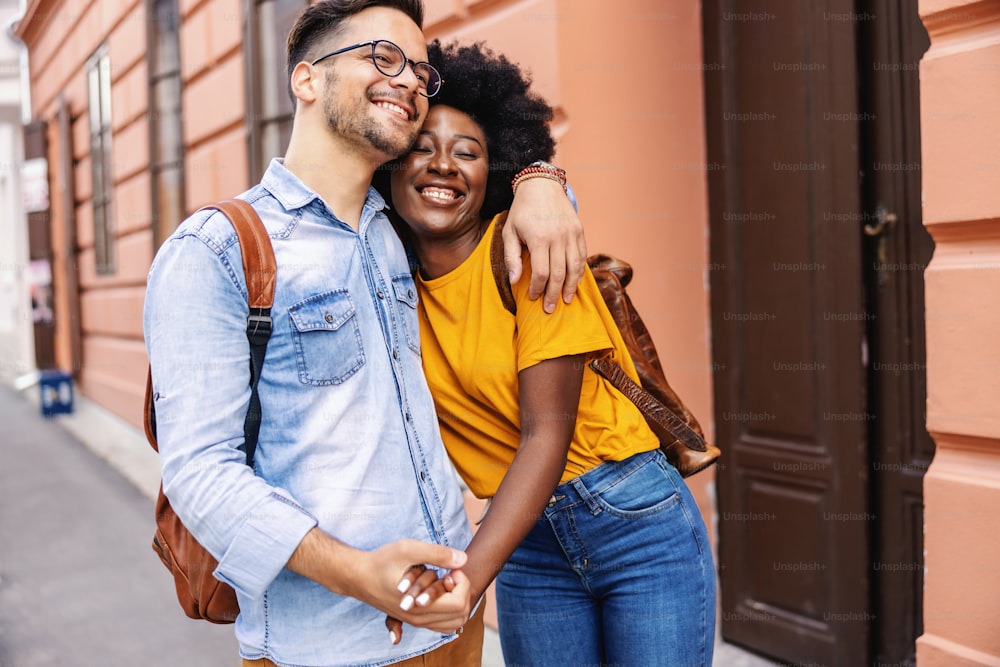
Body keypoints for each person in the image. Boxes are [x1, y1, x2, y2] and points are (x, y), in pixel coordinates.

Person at [142, 2, 586, 665]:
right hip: (324, 644)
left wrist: (543, 181)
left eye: (419, 71)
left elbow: (503, 189)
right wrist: (359, 575)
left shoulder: (403, 227)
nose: (409, 79)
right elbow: (200, 474)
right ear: (306, 80)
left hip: (452, 623)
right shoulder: (218, 250)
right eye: (382, 57)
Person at [381, 41, 717, 666]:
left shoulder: (530, 254)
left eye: (469, 152)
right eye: (422, 147)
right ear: (390, 167)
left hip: (631, 518)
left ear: (495, 171)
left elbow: (547, 435)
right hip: (525, 539)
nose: (444, 165)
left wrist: (465, 578)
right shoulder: (387, 286)